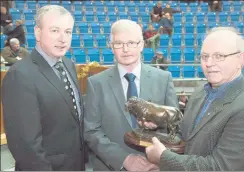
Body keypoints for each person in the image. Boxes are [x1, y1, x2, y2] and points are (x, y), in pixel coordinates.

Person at [145, 27, 244, 171]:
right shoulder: (200, 93)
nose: (209, 63)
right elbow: (184, 136)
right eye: (205, 56)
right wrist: (159, 124)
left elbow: (219, 167)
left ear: (240, 59)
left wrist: (163, 158)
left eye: (219, 56)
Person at [84, 19, 178, 171]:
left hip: (154, 167)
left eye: (131, 43)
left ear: (141, 45)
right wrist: (124, 159)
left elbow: (174, 126)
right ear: (111, 47)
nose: (125, 49)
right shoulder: (96, 83)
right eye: (119, 43)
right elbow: (91, 131)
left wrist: (159, 125)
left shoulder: (164, 79)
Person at [1, 5, 86, 171]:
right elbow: (25, 146)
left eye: (68, 32)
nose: (63, 38)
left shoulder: (68, 65)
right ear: (38, 32)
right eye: (55, 30)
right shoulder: (20, 75)